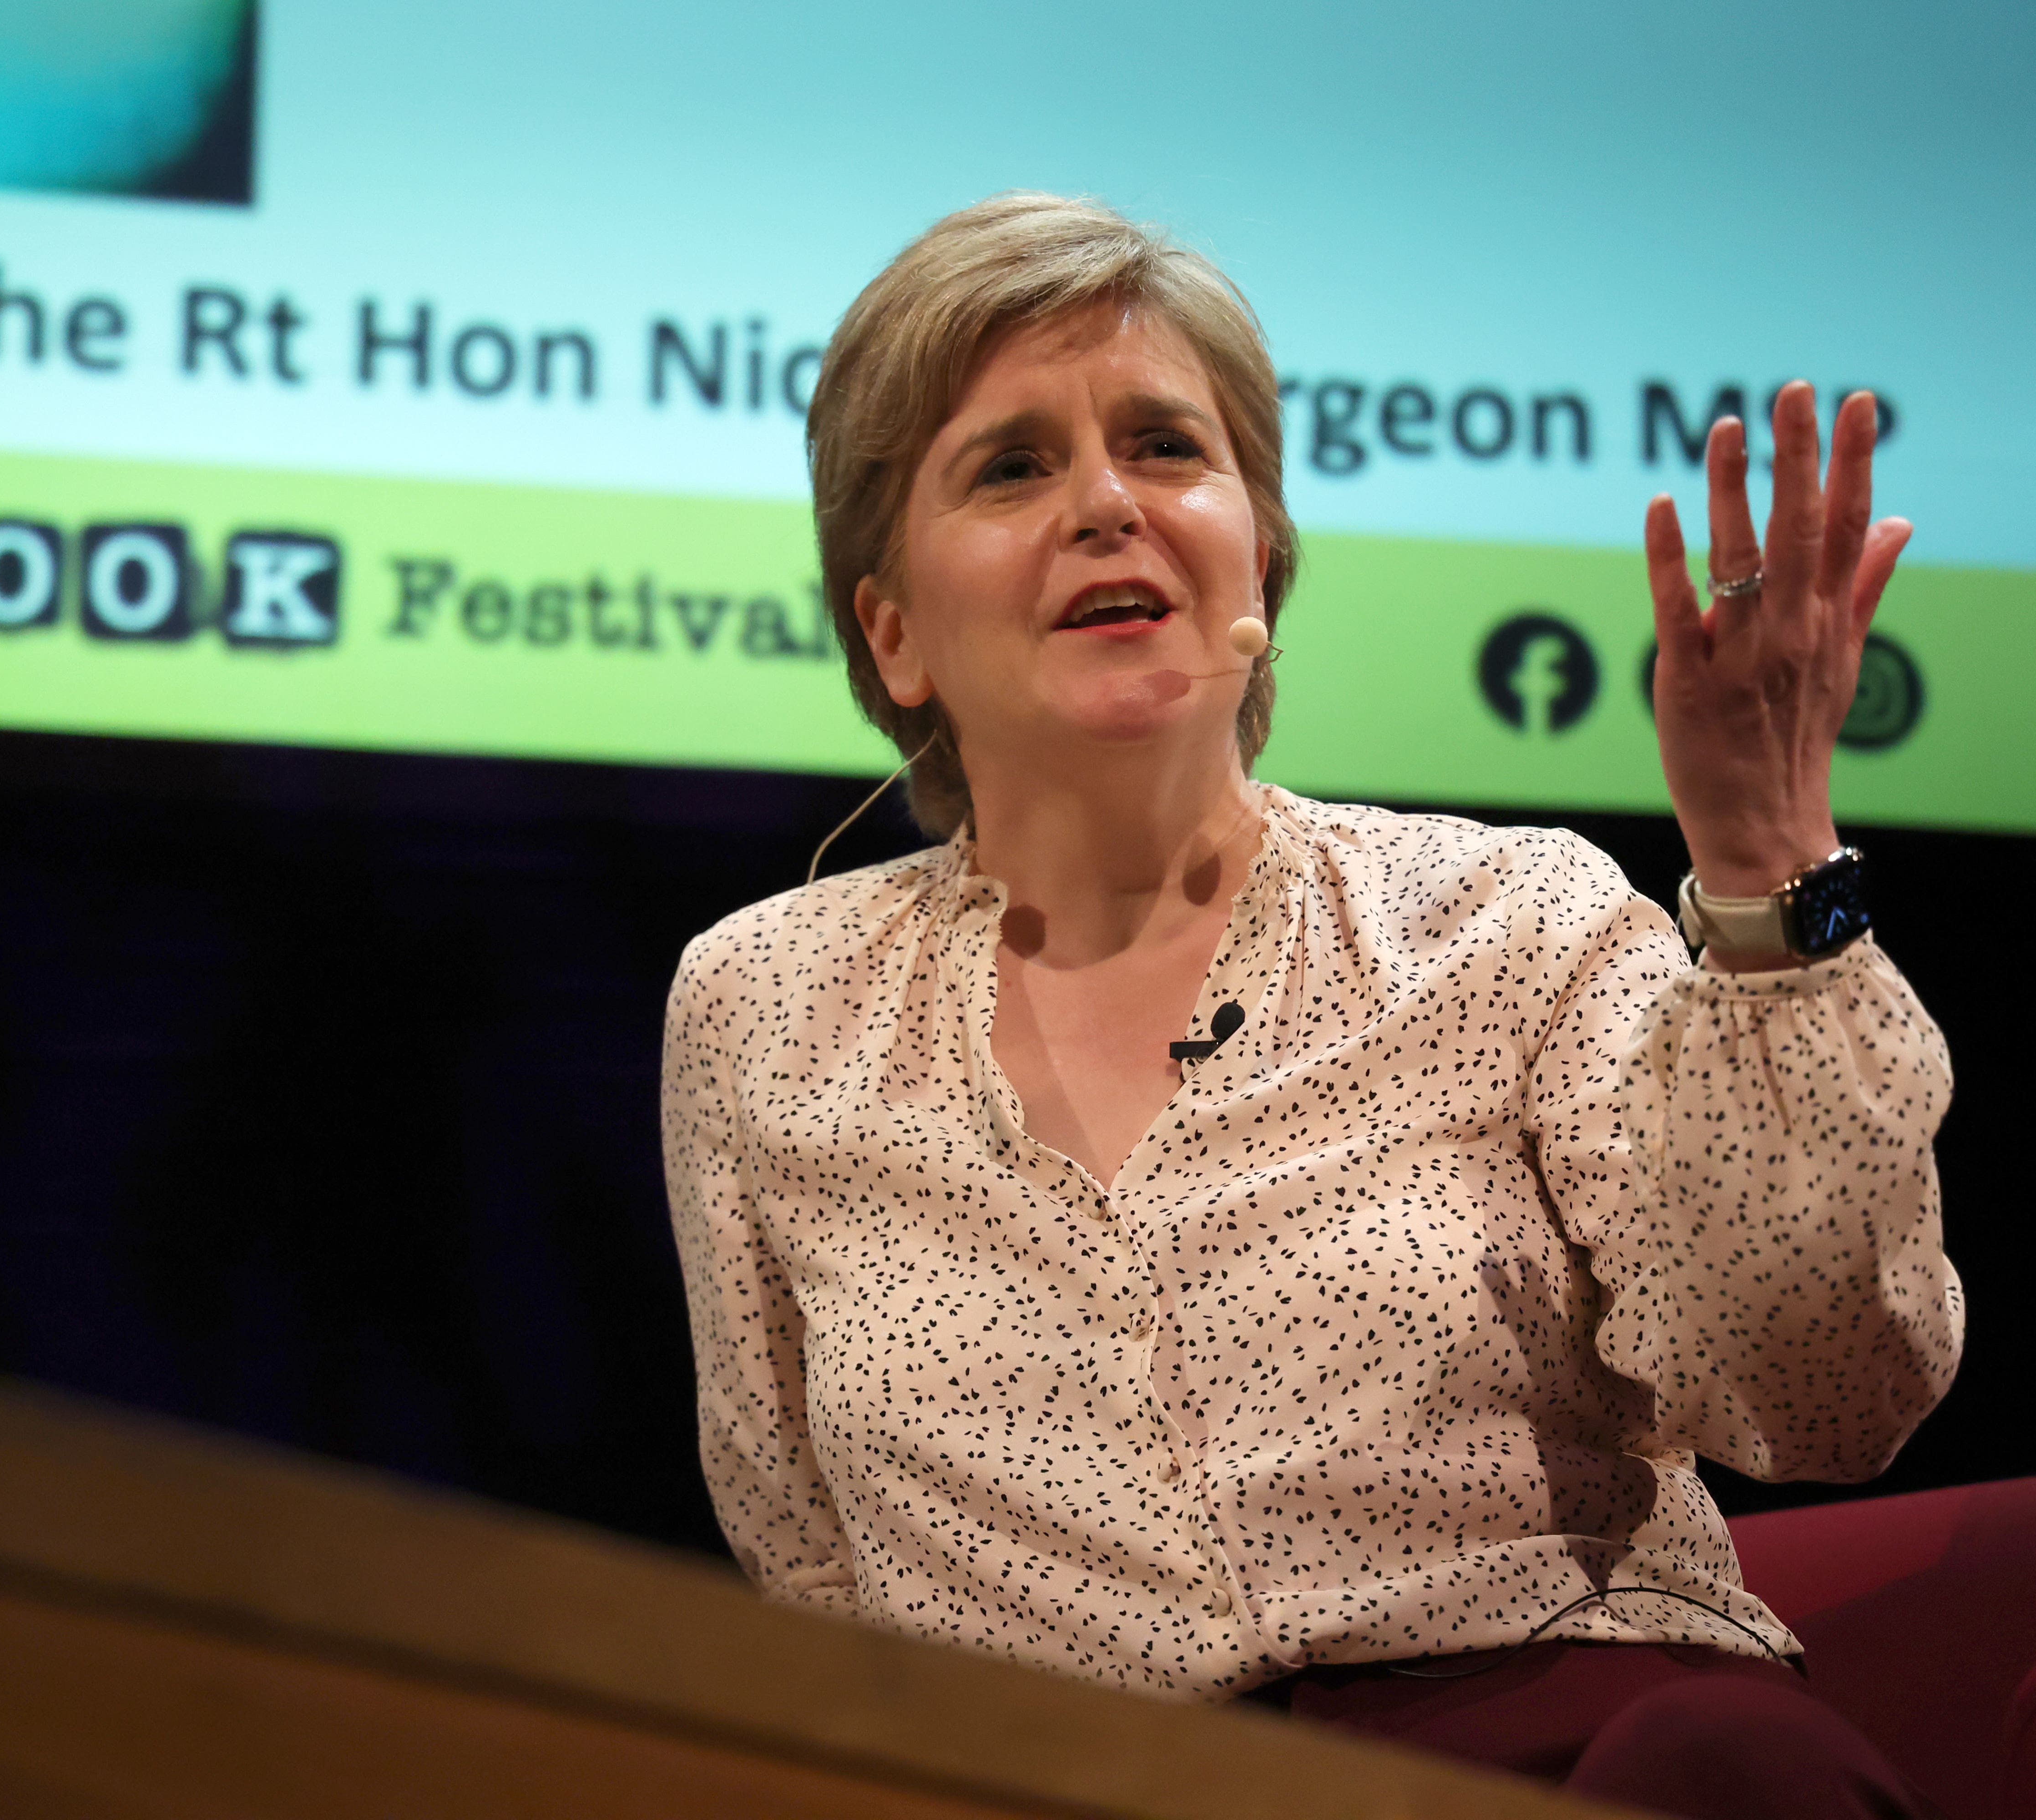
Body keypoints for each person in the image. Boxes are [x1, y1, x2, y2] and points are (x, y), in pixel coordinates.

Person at [662, 192, 1960, 1820]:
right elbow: (809, 1562)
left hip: (1558, 1748)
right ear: (895, 630)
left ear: (1256, 549)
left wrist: (1770, 871)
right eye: (1013, 467)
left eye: (1164, 447)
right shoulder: (764, 1009)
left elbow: (1827, 1393)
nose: (1107, 506)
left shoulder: (1511, 921)